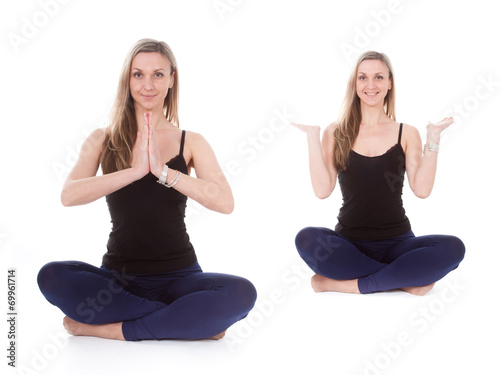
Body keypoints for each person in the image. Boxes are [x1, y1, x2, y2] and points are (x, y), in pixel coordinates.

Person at [37, 38, 257, 341]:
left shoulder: (191, 142)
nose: (148, 84)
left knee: (242, 292)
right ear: (127, 80)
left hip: (180, 277)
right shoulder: (102, 139)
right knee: (51, 275)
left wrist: (165, 173)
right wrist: (135, 172)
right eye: (138, 74)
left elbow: (225, 202)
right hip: (118, 281)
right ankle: (183, 319)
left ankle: (114, 329)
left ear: (171, 79)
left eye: (158, 74)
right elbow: (69, 195)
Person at [292, 51, 465, 296]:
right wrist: (312, 138)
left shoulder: (406, 132)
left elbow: (422, 190)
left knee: (453, 248)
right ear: (355, 83)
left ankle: (339, 284)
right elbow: (322, 191)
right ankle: (404, 278)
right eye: (363, 77)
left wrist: (433, 139)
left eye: (378, 77)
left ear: (389, 83)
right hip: (348, 244)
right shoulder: (335, 131)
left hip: (399, 243)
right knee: (306, 238)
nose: (370, 85)